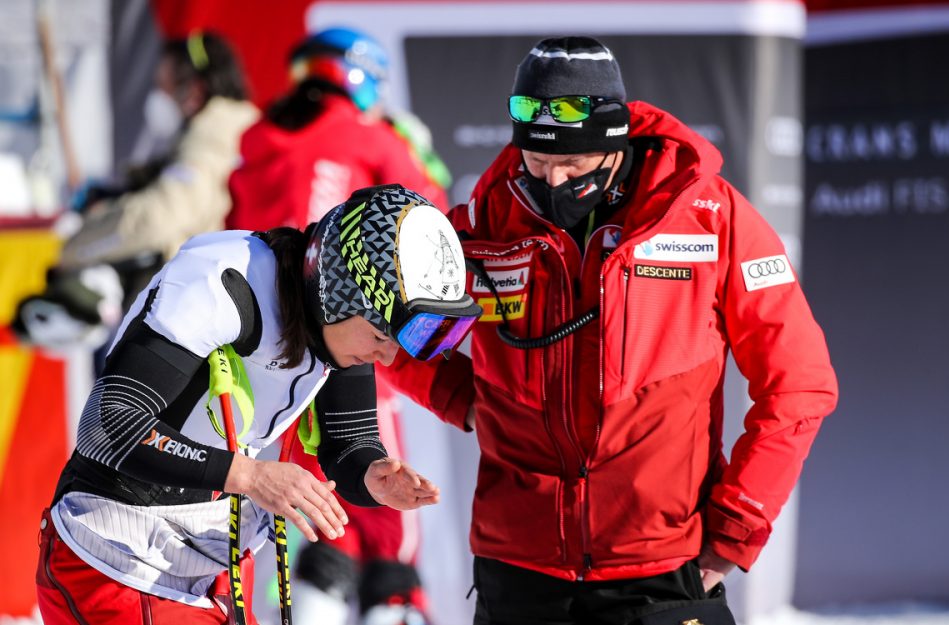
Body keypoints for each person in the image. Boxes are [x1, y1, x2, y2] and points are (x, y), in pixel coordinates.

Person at [384, 36, 839, 624]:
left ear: (614, 146)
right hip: (517, 567)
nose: (552, 181)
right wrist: (470, 401)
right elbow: (386, 335)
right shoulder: (482, 226)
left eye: (572, 166)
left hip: (662, 565)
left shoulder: (712, 218)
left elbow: (800, 384)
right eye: (538, 163)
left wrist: (735, 529)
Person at [35, 184, 481, 625]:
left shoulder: (341, 326)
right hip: (114, 552)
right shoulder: (223, 279)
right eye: (383, 337)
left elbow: (347, 443)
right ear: (339, 293)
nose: (387, 357)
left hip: (211, 557)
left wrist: (371, 476)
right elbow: (109, 426)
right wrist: (248, 475)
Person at [227, 27, 451, 625]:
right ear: (359, 76)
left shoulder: (258, 137)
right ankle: (392, 603)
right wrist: (420, 156)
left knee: (308, 489)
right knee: (379, 493)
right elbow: (426, 219)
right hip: (354, 327)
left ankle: (322, 595)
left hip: (264, 347)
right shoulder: (372, 136)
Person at [15, 32, 259, 347]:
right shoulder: (234, 128)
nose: (159, 96)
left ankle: (85, 302)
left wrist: (76, 247)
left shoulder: (214, 131)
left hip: (200, 310)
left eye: (166, 87)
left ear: (195, 88)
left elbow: (159, 218)